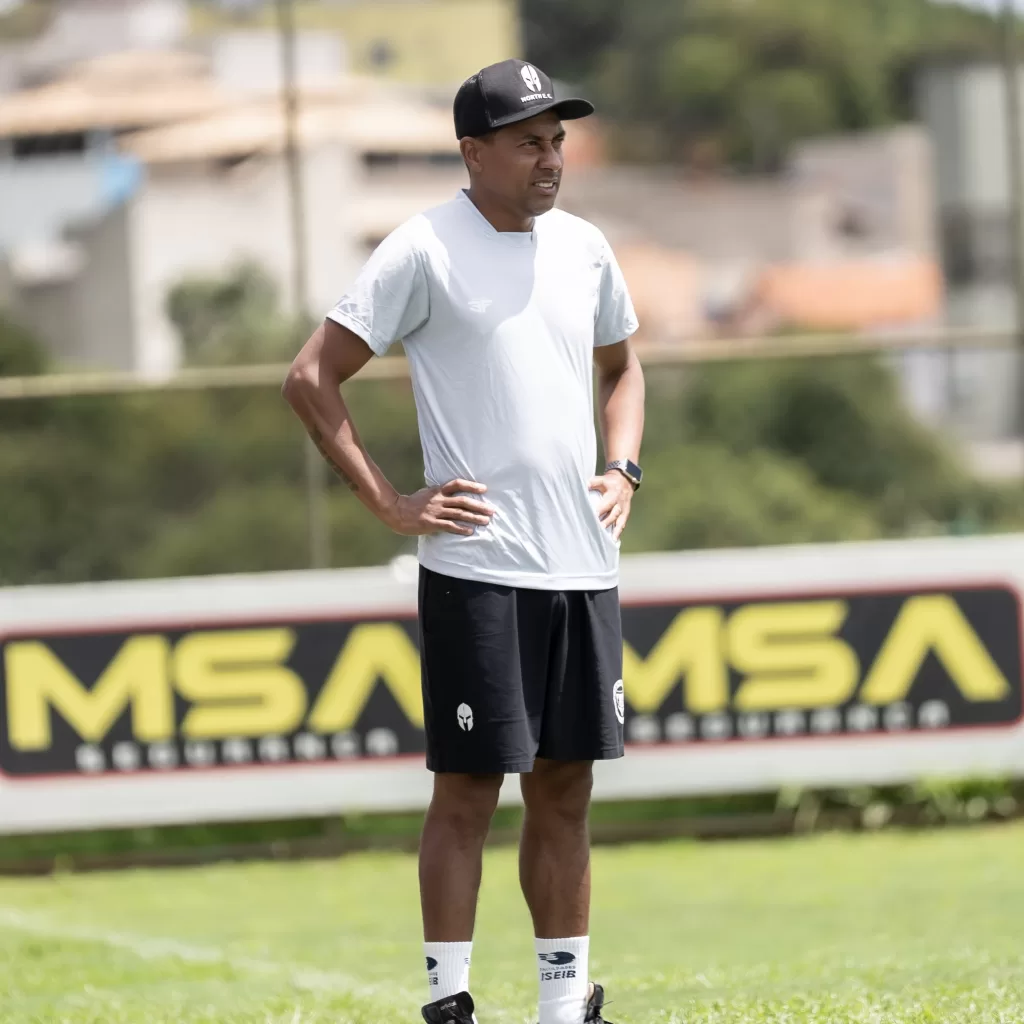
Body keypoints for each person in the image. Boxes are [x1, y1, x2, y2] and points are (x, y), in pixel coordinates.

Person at [282, 58, 645, 1024]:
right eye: (528, 140)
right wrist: (393, 505)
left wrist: (627, 470)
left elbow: (623, 369)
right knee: (469, 791)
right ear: (473, 151)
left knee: (564, 790)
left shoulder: (585, 247)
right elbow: (312, 377)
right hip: (478, 569)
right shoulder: (420, 249)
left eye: (558, 139)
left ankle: (566, 1003)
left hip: (582, 566)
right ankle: (449, 1003)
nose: (551, 158)